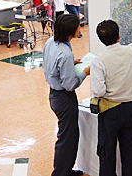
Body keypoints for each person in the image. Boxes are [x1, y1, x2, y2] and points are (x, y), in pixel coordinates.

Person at [90, 0, 132, 176]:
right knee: (131, 153)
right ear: (119, 36)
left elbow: (98, 92)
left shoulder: (99, 60)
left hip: (110, 112)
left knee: (107, 153)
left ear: (101, 40)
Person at [43, 14, 90, 176]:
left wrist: (70, 64)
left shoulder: (51, 42)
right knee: (68, 139)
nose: (80, 28)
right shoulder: (65, 53)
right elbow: (70, 85)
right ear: (71, 30)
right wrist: (85, 72)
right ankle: (62, 173)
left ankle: (64, 171)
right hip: (64, 99)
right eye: (78, 26)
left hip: (53, 95)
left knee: (65, 136)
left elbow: (52, 65)